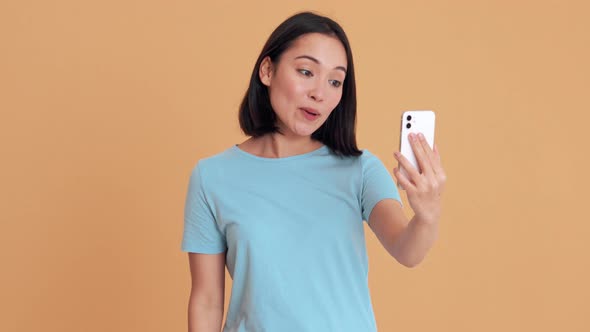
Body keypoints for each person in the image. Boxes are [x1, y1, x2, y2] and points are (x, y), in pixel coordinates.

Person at [181, 11, 446, 332]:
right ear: (267, 70)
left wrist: (427, 214)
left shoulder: (360, 169)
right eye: (306, 71)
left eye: (335, 81)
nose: (320, 93)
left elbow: (407, 249)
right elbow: (207, 300)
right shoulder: (212, 177)